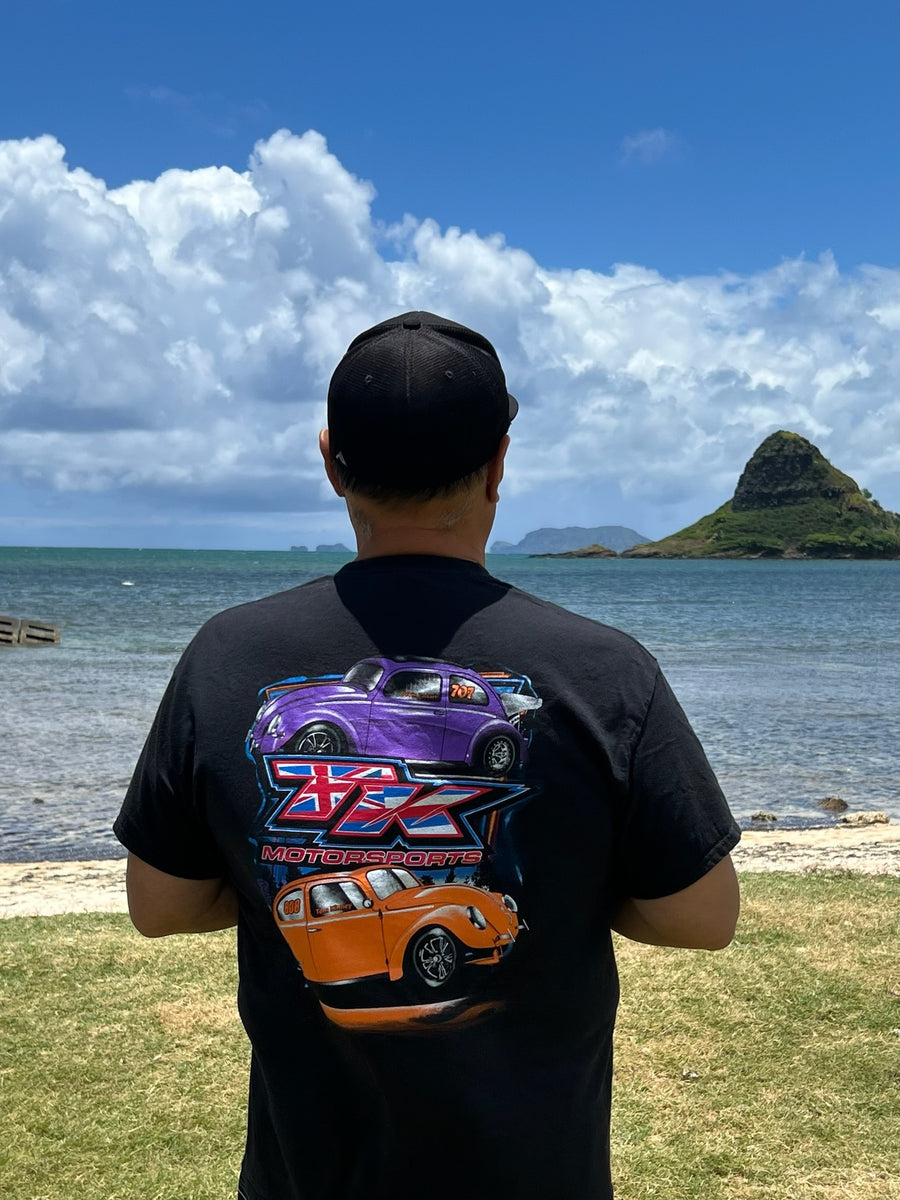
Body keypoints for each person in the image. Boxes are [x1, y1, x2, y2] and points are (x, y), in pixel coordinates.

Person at [115, 311, 740, 1200]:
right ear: (499, 463)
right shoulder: (605, 671)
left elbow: (161, 905)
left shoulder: (227, 655)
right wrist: (566, 892)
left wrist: (278, 877)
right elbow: (702, 918)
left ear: (331, 462)